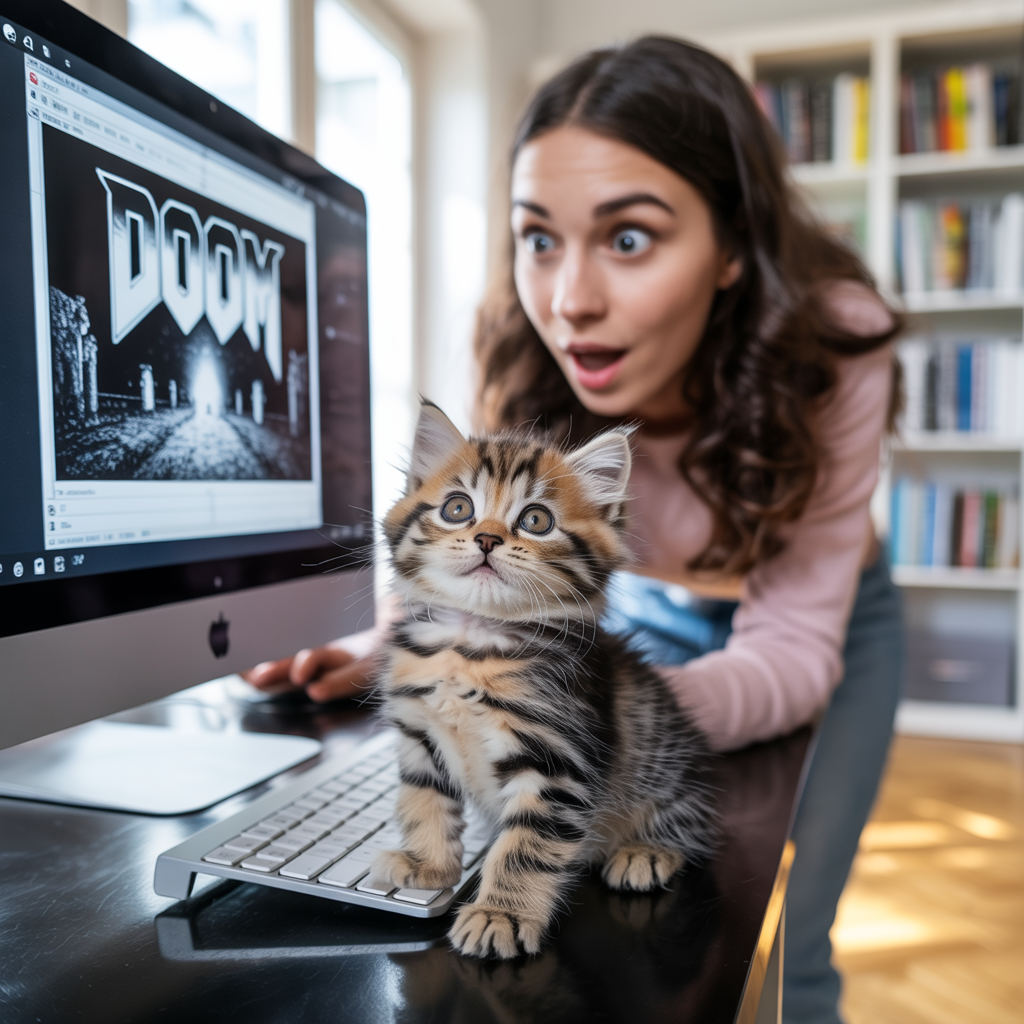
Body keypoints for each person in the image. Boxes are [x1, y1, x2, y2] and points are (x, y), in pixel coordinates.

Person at [246, 37, 904, 1024]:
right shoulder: (522, 340)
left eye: (628, 237)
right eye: (538, 237)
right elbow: (479, 537)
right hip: (603, 609)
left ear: (731, 245)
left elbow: (792, 647)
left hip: (820, 619)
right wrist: (389, 643)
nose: (568, 300)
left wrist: (578, 718)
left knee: (783, 933)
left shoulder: (832, 340)